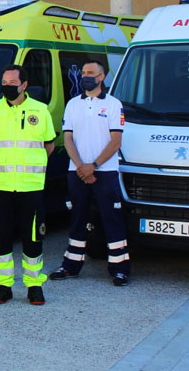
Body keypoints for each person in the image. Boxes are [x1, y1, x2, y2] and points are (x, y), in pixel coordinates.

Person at [0, 64, 56, 304]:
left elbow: (49, 145)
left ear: (24, 85)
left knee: (32, 238)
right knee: (1, 238)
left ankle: (34, 286)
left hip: (30, 186)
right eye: (4, 82)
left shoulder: (40, 110)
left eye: (12, 82)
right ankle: (3, 286)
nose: (7, 86)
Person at [51, 59, 130, 286]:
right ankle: (70, 266)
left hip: (104, 172)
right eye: (83, 72)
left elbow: (116, 142)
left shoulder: (114, 105)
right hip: (77, 171)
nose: (85, 76)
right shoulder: (73, 104)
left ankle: (120, 269)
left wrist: (93, 166)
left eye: (91, 73)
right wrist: (81, 166)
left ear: (101, 77)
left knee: (111, 219)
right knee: (76, 218)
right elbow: (67, 139)